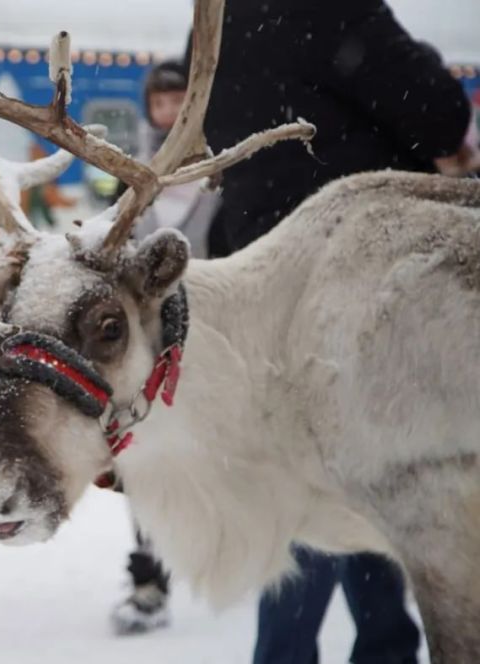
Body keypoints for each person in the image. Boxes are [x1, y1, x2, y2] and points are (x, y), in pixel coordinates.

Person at [199, 1, 473, 662]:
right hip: (364, 293)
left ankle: (293, 652)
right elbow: (440, 114)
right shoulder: (334, 7)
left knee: (303, 494)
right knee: (388, 479)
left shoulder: (223, 16)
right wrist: (430, 66)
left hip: (263, 291)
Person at [109, 59, 219, 637]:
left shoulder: (222, 172)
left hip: (211, 336)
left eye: (179, 101)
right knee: (143, 458)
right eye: (160, 104)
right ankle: (149, 575)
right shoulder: (134, 175)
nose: (169, 112)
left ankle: (221, 556)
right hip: (146, 345)